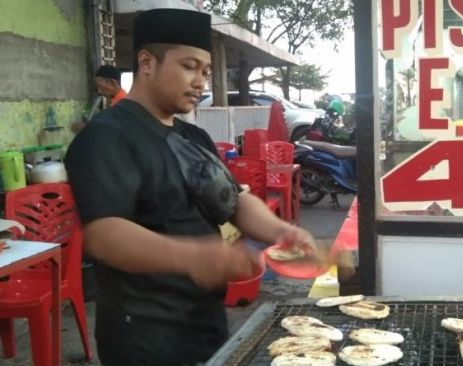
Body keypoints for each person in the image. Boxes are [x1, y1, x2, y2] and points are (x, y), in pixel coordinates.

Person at [64, 8, 321, 366]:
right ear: (147, 62)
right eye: (189, 66)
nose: (200, 82)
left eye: (206, 71)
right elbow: (105, 234)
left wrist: (281, 231)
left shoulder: (194, 136)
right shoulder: (107, 136)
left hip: (206, 323)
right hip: (145, 337)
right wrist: (198, 256)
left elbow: (235, 202)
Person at [70, 65, 127, 133]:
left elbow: (111, 131)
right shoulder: (115, 101)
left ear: (112, 83)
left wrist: (85, 128)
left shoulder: (122, 104)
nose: (99, 91)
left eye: (100, 86)